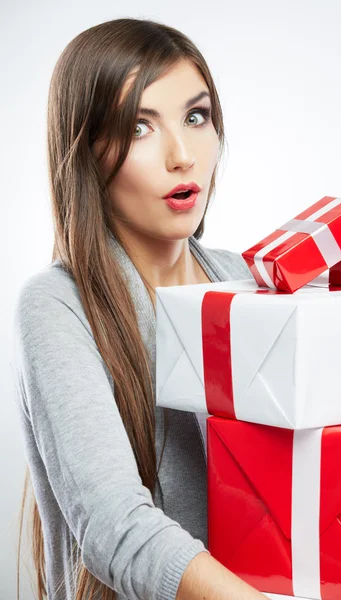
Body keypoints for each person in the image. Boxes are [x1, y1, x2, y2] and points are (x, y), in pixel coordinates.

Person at [11, 17, 271, 600]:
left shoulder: (249, 280)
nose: (183, 156)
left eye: (196, 117)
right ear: (88, 150)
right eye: (139, 126)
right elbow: (113, 526)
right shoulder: (56, 305)